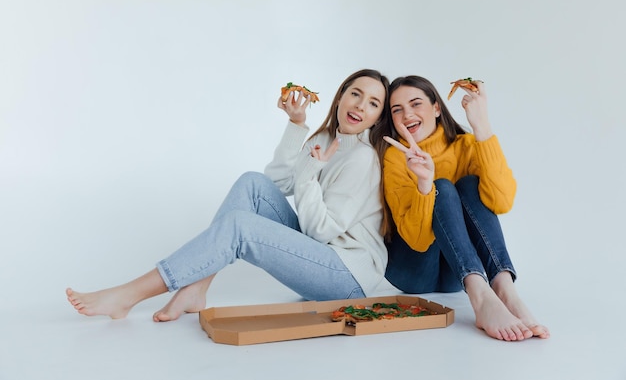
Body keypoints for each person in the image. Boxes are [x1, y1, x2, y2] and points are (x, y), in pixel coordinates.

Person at [66, 69, 391, 322]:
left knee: (240, 227)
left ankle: (129, 294)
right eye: (355, 94)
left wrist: (308, 175)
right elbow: (275, 184)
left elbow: (322, 231)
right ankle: (197, 289)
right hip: (321, 254)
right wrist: (296, 125)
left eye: (373, 103)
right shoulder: (325, 139)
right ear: (339, 98)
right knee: (251, 184)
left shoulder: (363, 158)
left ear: (378, 118)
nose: (361, 106)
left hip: (348, 278)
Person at [381, 75, 549, 341]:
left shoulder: (466, 145)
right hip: (411, 268)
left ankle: (504, 288)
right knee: (442, 187)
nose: (407, 115)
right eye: (397, 110)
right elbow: (418, 239)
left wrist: (481, 126)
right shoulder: (395, 156)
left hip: (455, 273)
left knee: (470, 184)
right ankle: (481, 297)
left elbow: (501, 201)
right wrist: (425, 184)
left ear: (437, 108)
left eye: (415, 104)